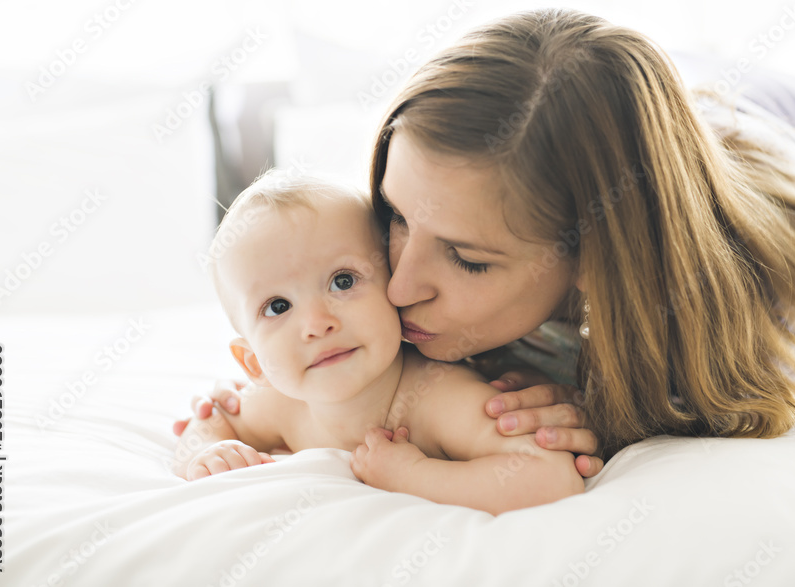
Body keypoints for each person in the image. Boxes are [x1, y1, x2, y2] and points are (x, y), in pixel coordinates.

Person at [175, 8, 795, 468]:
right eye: (397, 218)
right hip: (604, 99)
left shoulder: (755, 265)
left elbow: (750, 391)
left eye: (468, 259)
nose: (399, 283)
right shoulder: (453, 185)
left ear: (593, 265)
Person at [172, 167, 584, 515]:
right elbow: (206, 422)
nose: (317, 324)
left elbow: (550, 478)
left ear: (393, 284)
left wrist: (414, 477)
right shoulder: (285, 405)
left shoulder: (437, 398)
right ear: (253, 365)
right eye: (278, 307)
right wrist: (206, 452)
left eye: (343, 281)